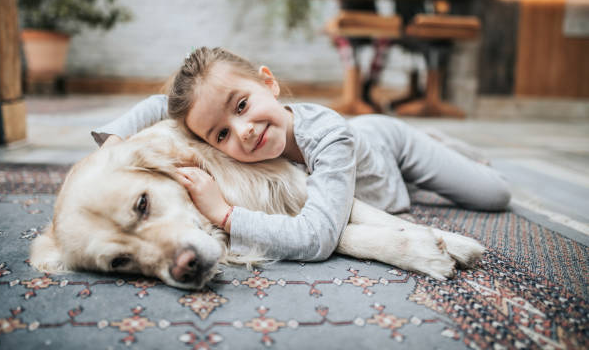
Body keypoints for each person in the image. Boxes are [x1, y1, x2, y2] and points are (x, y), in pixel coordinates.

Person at [92, 47, 511, 262]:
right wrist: (111, 150)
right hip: (361, 150)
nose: (244, 130)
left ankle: (438, 142)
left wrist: (226, 216)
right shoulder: (235, 139)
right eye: (221, 133)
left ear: (268, 82)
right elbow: (158, 105)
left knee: (494, 195)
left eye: (241, 105)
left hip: (388, 145)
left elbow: (318, 238)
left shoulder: (328, 135)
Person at [329, 0, 391, 111]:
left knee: (384, 41)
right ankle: (351, 95)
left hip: (370, 18)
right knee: (345, 42)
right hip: (347, 17)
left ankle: (367, 87)